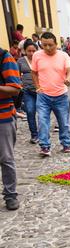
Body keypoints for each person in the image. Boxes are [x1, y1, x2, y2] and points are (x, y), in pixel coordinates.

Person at [31, 32, 70, 157]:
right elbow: (33, 72)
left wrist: (68, 79)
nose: (48, 48)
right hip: (43, 96)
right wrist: (37, 87)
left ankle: (66, 144)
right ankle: (44, 146)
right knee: (43, 121)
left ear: (56, 44)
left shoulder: (63, 55)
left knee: (63, 122)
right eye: (44, 45)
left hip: (61, 95)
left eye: (50, 45)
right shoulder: (37, 55)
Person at [0, 43, 21, 210]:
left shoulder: (4, 57)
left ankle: (10, 195)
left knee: (6, 158)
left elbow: (15, 89)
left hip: (3, 117)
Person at [18, 41, 39, 144]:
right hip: (27, 91)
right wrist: (20, 84)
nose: (31, 53)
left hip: (41, 91)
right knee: (30, 112)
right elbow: (16, 75)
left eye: (33, 51)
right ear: (24, 51)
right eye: (29, 51)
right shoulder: (20, 61)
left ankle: (43, 133)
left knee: (43, 113)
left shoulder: (40, 59)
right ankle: (34, 135)